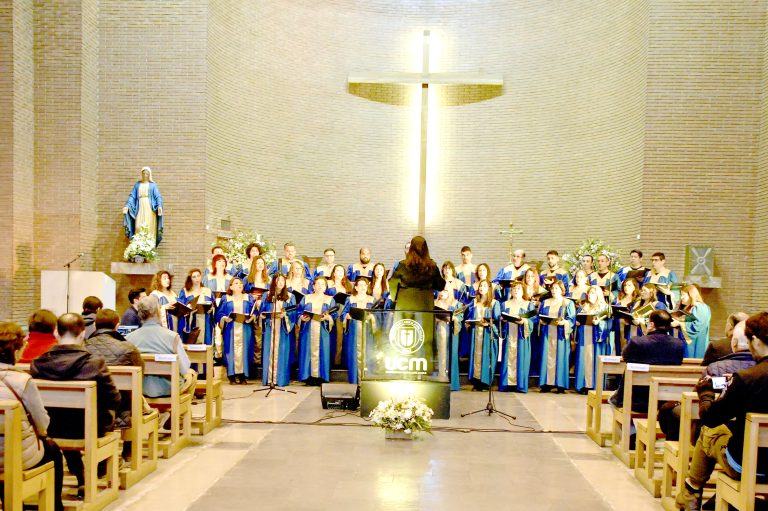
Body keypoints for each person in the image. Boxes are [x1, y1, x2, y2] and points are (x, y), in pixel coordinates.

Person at [674, 312, 768, 510]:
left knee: (710, 431)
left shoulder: (747, 378)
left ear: (756, 341)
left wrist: (706, 394)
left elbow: (710, 418)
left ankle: (691, 492)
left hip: (749, 465)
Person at [31, 313, 121, 495]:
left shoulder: (38, 363)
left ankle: (80, 473)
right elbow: (114, 399)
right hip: (88, 428)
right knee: (93, 418)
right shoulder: (95, 363)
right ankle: (94, 471)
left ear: (56, 333)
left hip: (52, 428)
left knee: (65, 418)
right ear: (82, 334)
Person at [0, 321, 65, 511]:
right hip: (15, 458)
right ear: (17, 350)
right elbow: (42, 424)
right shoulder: (22, 381)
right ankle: (54, 506)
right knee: (52, 450)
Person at [609, 310, 685, 411]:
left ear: (651, 324)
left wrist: (646, 335)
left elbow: (625, 357)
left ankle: (630, 426)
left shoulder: (637, 342)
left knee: (612, 400)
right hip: (667, 400)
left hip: (638, 400)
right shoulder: (678, 344)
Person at [84, 309, 145, 435]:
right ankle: (129, 448)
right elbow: (141, 373)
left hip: (91, 404)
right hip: (122, 406)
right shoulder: (128, 348)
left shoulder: (83, 348)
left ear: (95, 325)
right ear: (117, 326)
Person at [126, 297, 196, 399]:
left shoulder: (129, 338)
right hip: (169, 389)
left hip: (140, 389)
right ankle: (177, 412)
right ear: (158, 312)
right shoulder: (172, 337)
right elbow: (184, 368)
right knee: (191, 374)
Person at [215, 278, 256, 384]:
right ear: (231, 286)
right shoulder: (226, 298)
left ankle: (243, 375)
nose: (239, 285)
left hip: (245, 327)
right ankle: (231, 375)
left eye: (241, 283)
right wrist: (224, 318)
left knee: (245, 350)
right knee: (230, 350)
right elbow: (219, 313)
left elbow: (254, 311)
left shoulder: (248, 297)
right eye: (236, 283)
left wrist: (252, 317)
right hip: (231, 328)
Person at [499, 281, 537, 393]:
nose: (516, 290)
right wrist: (502, 320)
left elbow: (533, 320)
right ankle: (507, 383)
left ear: (523, 291)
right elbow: (500, 319)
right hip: (509, 335)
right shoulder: (505, 304)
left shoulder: (528, 305)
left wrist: (524, 321)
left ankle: (520, 384)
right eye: (514, 288)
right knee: (507, 358)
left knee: (521, 358)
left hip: (521, 337)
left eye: (519, 288)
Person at [389, 236, 445, 311]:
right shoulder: (431, 266)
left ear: (411, 249)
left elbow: (393, 283)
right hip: (425, 307)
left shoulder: (402, 265)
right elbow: (440, 286)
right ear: (426, 249)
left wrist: (394, 298)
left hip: (404, 306)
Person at [538, 280, 575, 393]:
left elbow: (572, 319)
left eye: (557, 288)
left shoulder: (568, 303)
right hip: (547, 333)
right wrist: (541, 321)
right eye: (552, 288)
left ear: (562, 290)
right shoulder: (545, 302)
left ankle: (560, 384)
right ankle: (546, 383)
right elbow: (539, 316)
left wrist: (565, 323)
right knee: (547, 357)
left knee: (560, 357)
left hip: (560, 335)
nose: (554, 291)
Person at [298, 276, 336, 384]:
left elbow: (334, 315)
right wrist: (301, 317)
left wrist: (328, 318)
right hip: (308, 329)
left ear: (326, 287)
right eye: (317, 284)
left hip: (323, 330)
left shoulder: (329, 299)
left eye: (322, 284)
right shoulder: (306, 298)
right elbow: (299, 312)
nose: (320, 286)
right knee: (307, 351)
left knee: (323, 351)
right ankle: (307, 376)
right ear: (313, 286)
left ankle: (322, 376)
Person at [260, 273, 295, 387]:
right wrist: (262, 316)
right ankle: (269, 379)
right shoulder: (267, 295)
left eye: (282, 281)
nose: (280, 283)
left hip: (283, 328)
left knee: (282, 353)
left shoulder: (290, 296)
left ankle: (280, 380)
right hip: (270, 326)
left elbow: (293, 313)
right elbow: (262, 311)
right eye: (278, 280)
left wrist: (285, 316)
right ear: (273, 282)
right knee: (269, 352)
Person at [574, 285, 611, 393]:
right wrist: (577, 323)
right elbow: (577, 319)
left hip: (596, 339)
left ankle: (594, 385)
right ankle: (583, 384)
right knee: (583, 359)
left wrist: (600, 322)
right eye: (589, 293)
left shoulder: (604, 308)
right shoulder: (583, 307)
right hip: (584, 336)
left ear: (598, 295)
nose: (590, 295)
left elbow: (609, 324)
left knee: (594, 359)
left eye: (593, 293)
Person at [466, 279, 501, 390]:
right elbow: (470, 317)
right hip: (476, 334)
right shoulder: (474, 302)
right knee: (476, 357)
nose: (481, 288)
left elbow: (497, 320)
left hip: (487, 334)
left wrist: (489, 323)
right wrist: (468, 322)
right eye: (480, 286)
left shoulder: (494, 303)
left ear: (489, 288)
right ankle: (476, 382)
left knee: (487, 357)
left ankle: (485, 382)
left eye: (484, 286)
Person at [342, 276, 375, 384]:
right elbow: (344, 313)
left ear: (367, 287)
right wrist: (346, 316)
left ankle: (366, 379)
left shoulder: (372, 299)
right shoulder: (350, 299)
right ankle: (354, 379)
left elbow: (377, 315)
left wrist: (373, 317)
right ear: (355, 287)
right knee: (353, 354)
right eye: (359, 285)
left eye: (364, 285)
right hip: (353, 330)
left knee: (367, 353)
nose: (362, 287)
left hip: (367, 330)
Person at [123, 166, 164, 247]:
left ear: (149, 175)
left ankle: (148, 248)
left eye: (147, 173)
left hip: (149, 208)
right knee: (138, 226)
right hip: (140, 207)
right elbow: (132, 197)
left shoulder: (153, 185)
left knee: (148, 227)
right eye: (143, 173)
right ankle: (138, 247)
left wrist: (159, 206)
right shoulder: (137, 185)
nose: (145, 175)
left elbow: (158, 196)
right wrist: (127, 206)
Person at [672, 284, 711, 359]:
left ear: (691, 295)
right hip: (686, 341)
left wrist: (679, 323)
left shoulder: (700, 307)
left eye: (683, 295)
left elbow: (697, 326)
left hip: (695, 342)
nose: (681, 297)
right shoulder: (690, 307)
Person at [434, 289, 463, 391]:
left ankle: (452, 382)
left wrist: (454, 318)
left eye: (445, 291)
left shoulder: (454, 303)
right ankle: (441, 377)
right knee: (441, 354)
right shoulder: (434, 303)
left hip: (450, 331)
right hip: (439, 330)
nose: (442, 293)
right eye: (440, 291)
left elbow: (460, 317)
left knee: (451, 354)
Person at [178, 269, 215, 346]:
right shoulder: (185, 291)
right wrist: (188, 309)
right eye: (194, 277)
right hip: (191, 321)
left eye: (198, 276)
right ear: (190, 278)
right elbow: (181, 307)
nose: (197, 278)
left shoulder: (208, 291)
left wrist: (212, 309)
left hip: (206, 319)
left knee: (206, 342)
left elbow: (213, 305)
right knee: (193, 343)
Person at [612, 277, 640, 354]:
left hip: (631, 329)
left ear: (635, 287)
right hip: (619, 329)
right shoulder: (618, 301)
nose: (626, 287)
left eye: (629, 285)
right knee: (619, 350)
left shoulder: (637, 301)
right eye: (625, 285)